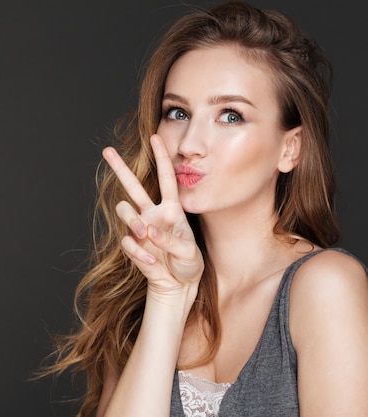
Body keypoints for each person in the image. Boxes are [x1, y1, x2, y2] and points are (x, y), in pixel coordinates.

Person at [38, 1, 368, 416]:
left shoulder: (324, 286)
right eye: (177, 112)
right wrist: (168, 297)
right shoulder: (140, 290)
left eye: (230, 115)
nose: (189, 143)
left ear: (290, 148)